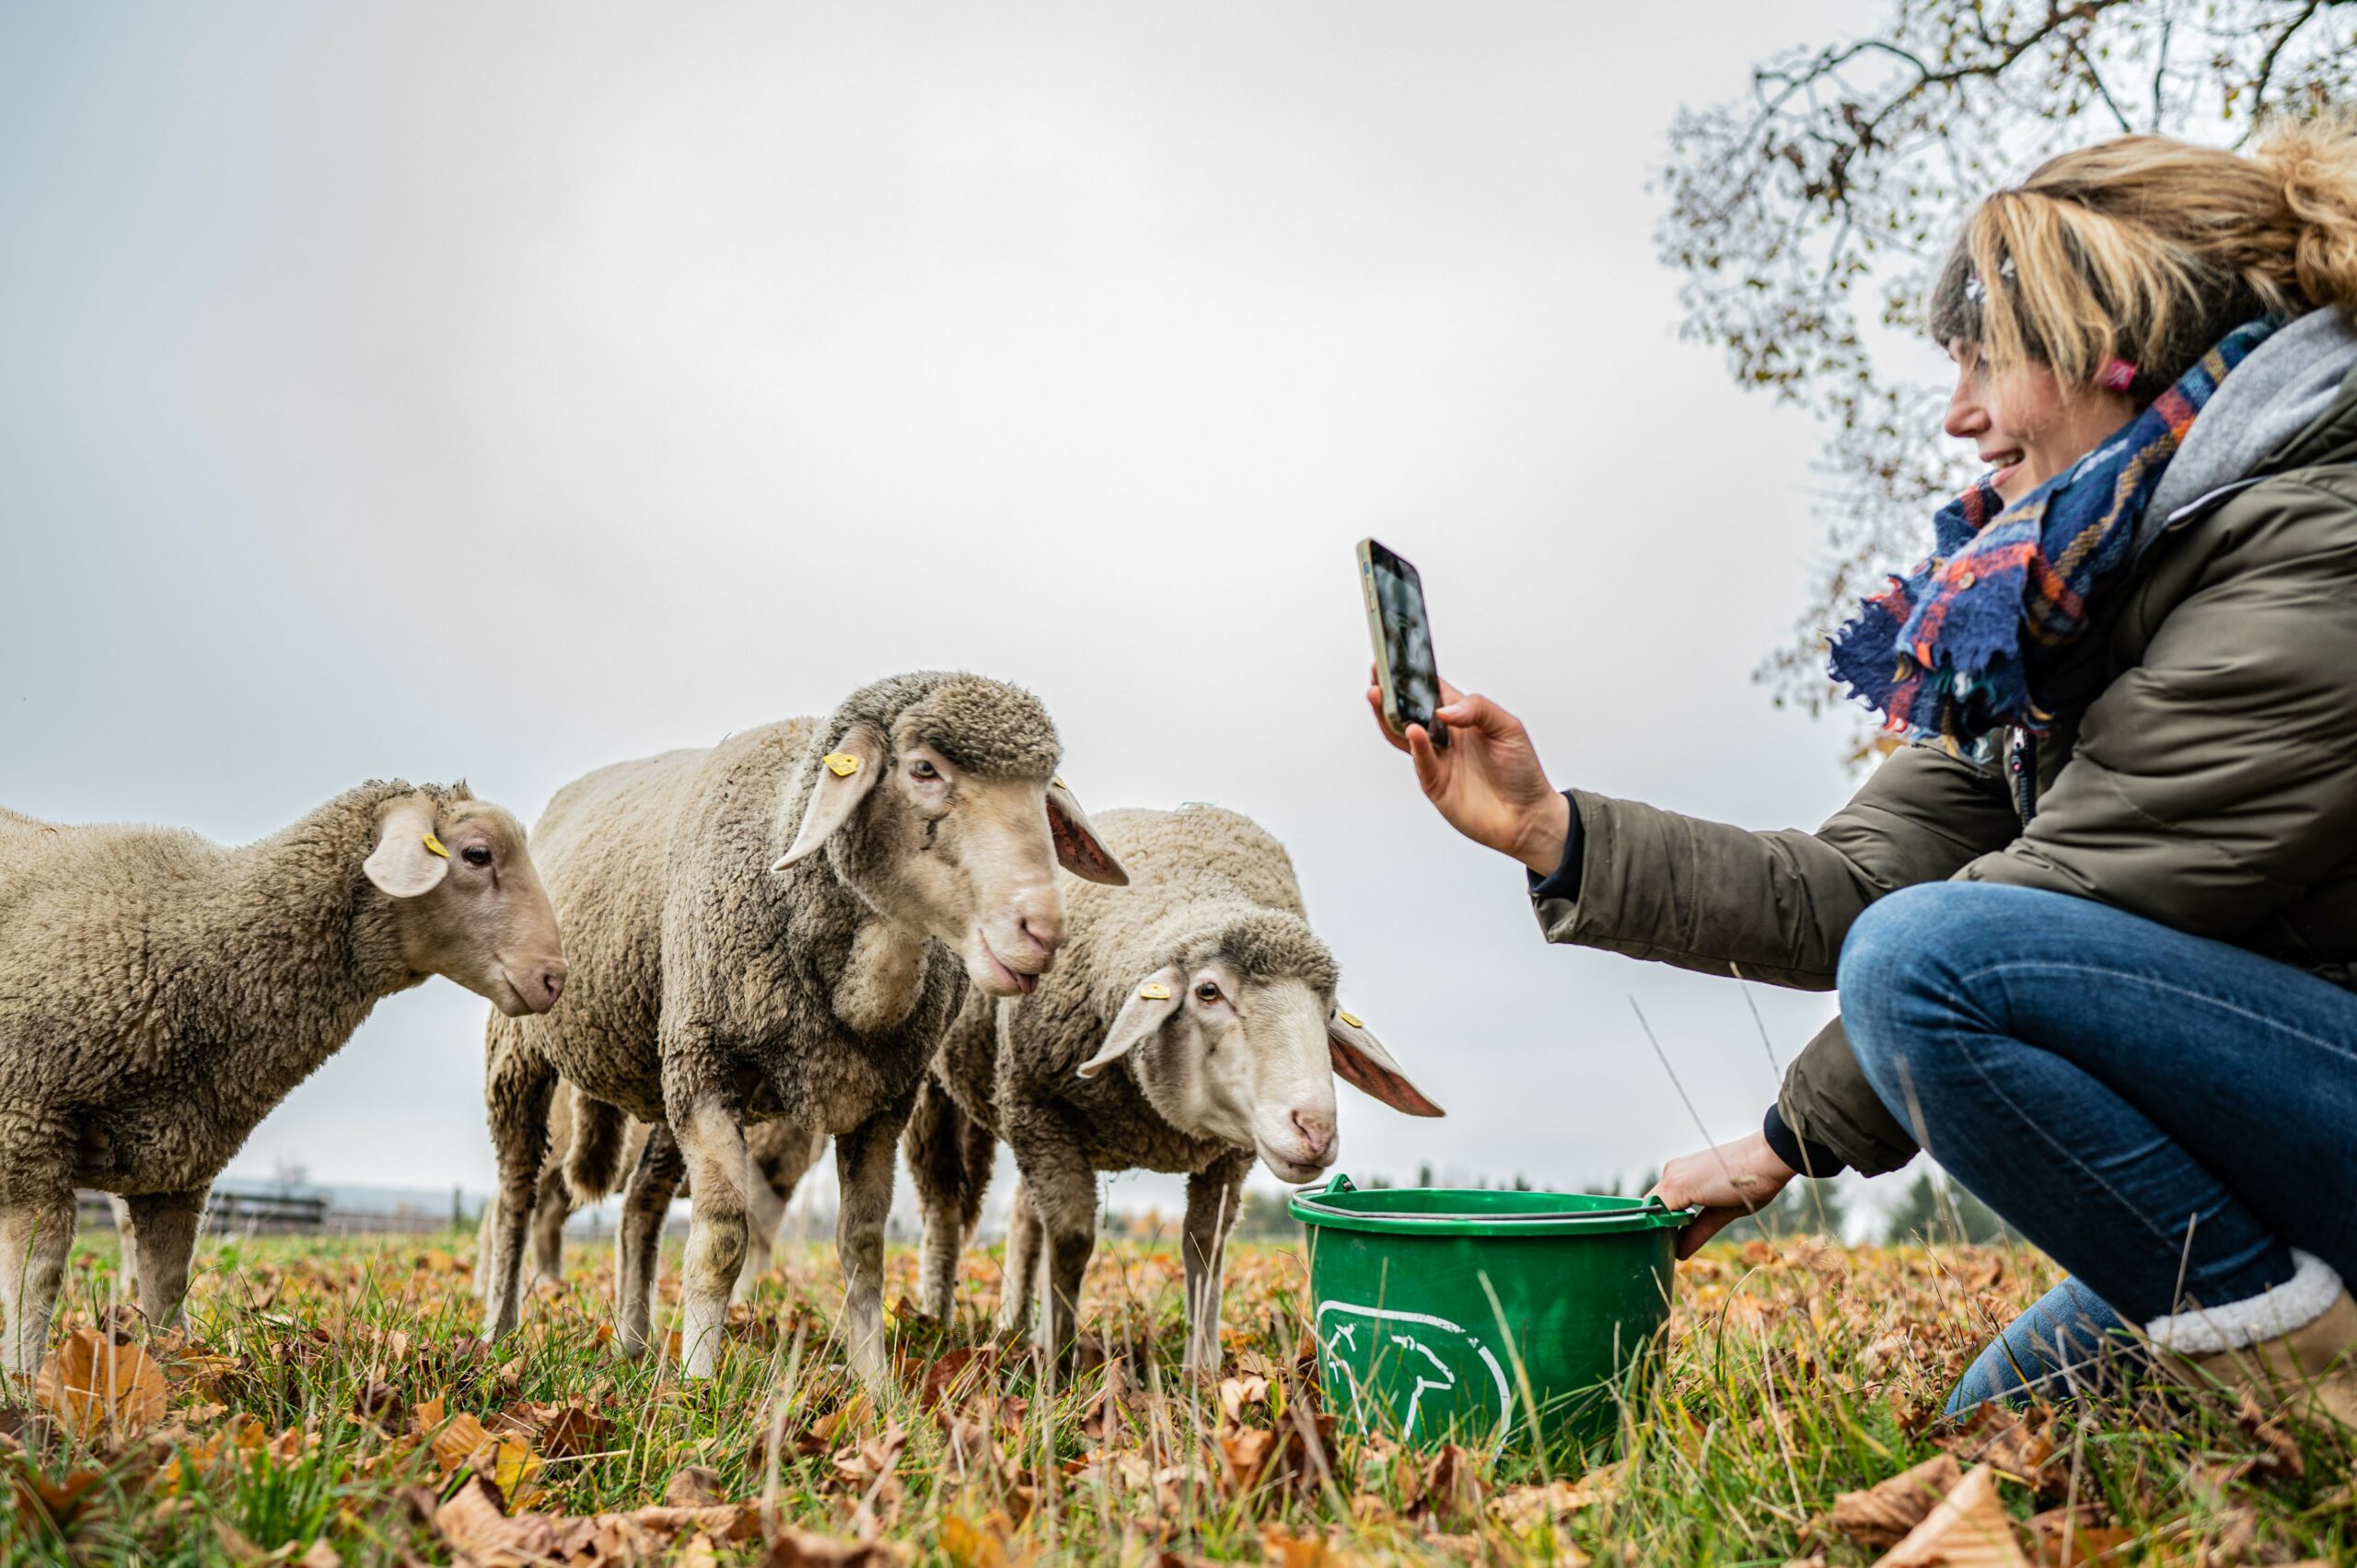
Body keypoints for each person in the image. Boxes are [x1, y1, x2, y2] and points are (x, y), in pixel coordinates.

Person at [1376, 120, 2357, 1422]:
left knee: (1926, 966)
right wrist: (1558, 833)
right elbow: (1855, 888)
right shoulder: (2055, 604)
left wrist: (1782, 1144)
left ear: (2117, 349)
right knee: (2001, 1419)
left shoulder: (2317, 536)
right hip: (2294, 1117)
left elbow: (2047, 921)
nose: (1958, 418)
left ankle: (2318, 1403)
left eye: (1985, 367)